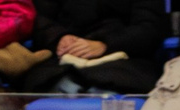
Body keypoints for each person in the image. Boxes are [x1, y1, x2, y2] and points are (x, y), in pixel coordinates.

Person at [20, 0, 170, 96]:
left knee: (112, 87)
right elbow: (38, 18)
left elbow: (150, 27)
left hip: (125, 58)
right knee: (43, 83)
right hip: (62, 58)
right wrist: (60, 38)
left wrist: (105, 44)